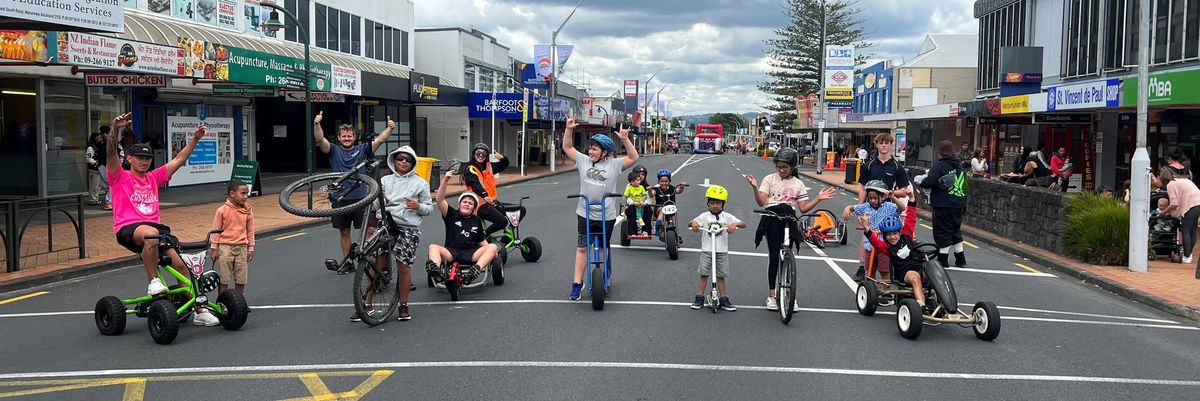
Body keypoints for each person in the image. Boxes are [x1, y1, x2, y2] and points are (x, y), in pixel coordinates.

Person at [106, 112, 220, 326]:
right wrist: (115, 129)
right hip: (128, 229)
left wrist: (195, 138)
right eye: (139, 158)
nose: (144, 161)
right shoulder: (119, 177)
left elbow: (179, 159)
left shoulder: (153, 177)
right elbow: (111, 153)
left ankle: (199, 309)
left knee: (181, 266)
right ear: (129, 158)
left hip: (156, 231)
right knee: (150, 234)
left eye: (147, 158)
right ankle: (154, 282)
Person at [745, 147, 836, 311]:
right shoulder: (769, 179)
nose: (781, 170)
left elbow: (803, 208)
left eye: (784, 167)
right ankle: (772, 295)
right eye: (778, 167)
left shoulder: (798, 183)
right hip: (773, 219)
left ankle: (788, 295)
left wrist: (818, 198)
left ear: (793, 167)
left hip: (789, 221)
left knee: (787, 254)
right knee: (774, 257)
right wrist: (755, 188)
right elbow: (761, 202)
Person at [351, 146, 433, 322]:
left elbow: (429, 208)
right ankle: (366, 303)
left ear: (413, 163)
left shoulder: (421, 184)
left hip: (407, 228)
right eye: (400, 158)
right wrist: (371, 204)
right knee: (377, 265)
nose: (403, 162)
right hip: (386, 224)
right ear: (394, 161)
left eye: (408, 159)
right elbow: (374, 202)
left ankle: (403, 305)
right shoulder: (385, 180)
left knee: (403, 266)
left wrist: (418, 206)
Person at [564, 118, 639, 300]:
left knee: (604, 247)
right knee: (582, 248)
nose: (590, 151)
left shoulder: (613, 165)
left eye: (595, 149)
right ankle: (576, 284)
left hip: (606, 215)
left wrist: (624, 139)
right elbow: (568, 148)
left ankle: (603, 276)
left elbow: (634, 158)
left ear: (604, 152)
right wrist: (568, 130)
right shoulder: (583, 161)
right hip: (584, 213)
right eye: (590, 148)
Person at [313, 111, 395, 269]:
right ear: (339, 137)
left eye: (349, 136)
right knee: (344, 232)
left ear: (354, 137)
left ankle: (366, 258)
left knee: (368, 230)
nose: (347, 138)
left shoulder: (363, 149)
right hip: (340, 198)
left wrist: (389, 128)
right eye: (344, 136)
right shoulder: (333, 151)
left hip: (360, 197)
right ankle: (348, 262)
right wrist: (317, 124)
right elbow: (319, 139)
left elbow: (380, 140)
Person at [426, 179, 499, 285]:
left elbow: (481, 239)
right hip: (451, 252)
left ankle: (476, 270)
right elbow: (439, 200)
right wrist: (446, 180)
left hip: (471, 253)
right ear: (459, 205)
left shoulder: (476, 220)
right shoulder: (451, 215)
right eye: (464, 202)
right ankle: (435, 271)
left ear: (474, 209)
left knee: (493, 247)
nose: (467, 204)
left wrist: (493, 253)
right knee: (433, 247)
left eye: (470, 203)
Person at [688, 185, 746, 311]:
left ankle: (724, 298)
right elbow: (692, 223)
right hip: (707, 250)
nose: (715, 206)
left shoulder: (727, 216)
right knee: (704, 274)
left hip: (721, 251)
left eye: (718, 203)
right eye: (712, 203)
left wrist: (734, 224)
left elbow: (743, 224)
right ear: (708, 203)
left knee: (721, 275)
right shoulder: (704, 216)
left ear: (723, 204)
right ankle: (699, 297)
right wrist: (694, 224)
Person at [916, 141, 969, 268]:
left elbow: (929, 182)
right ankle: (960, 259)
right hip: (959, 203)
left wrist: (921, 182)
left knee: (942, 231)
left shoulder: (939, 166)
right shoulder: (960, 166)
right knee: (955, 230)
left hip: (943, 204)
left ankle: (943, 260)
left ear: (940, 153)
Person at [842, 180, 906, 283]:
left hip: (884, 245)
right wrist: (847, 209)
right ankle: (871, 288)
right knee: (870, 269)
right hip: (870, 244)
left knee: (884, 269)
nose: (872, 201)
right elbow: (852, 207)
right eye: (870, 198)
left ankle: (886, 289)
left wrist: (893, 197)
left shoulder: (889, 207)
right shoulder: (866, 206)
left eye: (875, 198)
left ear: (883, 197)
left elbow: (902, 208)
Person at [864, 216, 930, 313]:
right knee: (915, 278)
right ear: (885, 236)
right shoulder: (887, 247)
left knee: (934, 274)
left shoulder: (907, 238)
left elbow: (910, 221)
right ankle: (922, 306)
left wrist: (912, 201)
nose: (892, 237)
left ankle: (943, 303)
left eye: (895, 233)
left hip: (919, 267)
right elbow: (876, 243)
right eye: (889, 235)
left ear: (900, 233)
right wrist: (866, 227)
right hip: (904, 272)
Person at [462, 142, 523, 237]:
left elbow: (504, 164)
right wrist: (485, 195)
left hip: (492, 203)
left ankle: (508, 234)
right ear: (474, 154)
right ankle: (483, 236)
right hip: (479, 205)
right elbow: (475, 185)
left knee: (520, 210)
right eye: (478, 153)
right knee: (502, 221)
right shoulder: (470, 169)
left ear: (487, 155)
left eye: (483, 153)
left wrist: (502, 158)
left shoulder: (489, 166)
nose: (481, 155)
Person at [210, 179, 255, 297]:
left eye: (247, 193)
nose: (245, 196)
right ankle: (222, 302)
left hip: (242, 248)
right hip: (225, 248)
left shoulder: (248, 211)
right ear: (232, 194)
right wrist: (214, 248)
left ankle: (239, 302)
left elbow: (250, 231)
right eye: (243, 193)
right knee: (224, 279)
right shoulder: (222, 210)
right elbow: (215, 231)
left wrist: (251, 247)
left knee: (241, 279)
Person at [1160, 172, 1200, 264]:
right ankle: (1188, 254)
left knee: (1185, 230)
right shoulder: (1182, 180)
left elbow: (1174, 203)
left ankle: (1186, 256)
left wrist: (1164, 212)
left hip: (1190, 205)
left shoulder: (1170, 184)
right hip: (1198, 202)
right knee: (1192, 230)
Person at [858, 133, 909, 203]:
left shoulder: (898, 167)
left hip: (889, 209)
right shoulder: (868, 165)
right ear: (876, 145)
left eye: (886, 143)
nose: (884, 145)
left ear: (891, 145)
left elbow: (904, 191)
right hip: (870, 208)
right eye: (881, 143)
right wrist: (860, 208)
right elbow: (862, 189)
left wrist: (891, 193)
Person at [649, 169, 688, 233]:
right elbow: (651, 194)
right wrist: (649, 190)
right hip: (659, 210)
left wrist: (682, 187)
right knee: (663, 209)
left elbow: (678, 191)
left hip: (671, 210)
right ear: (659, 181)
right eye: (662, 181)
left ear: (669, 181)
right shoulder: (656, 189)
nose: (664, 183)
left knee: (674, 215)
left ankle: (675, 231)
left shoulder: (672, 188)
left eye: (666, 181)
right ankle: (658, 223)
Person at [623, 171, 652, 236]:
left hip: (641, 206)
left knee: (649, 209)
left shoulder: (641, 187)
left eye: (643, 175)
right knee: (631, 210)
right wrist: (632, 203)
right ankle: (633, 232)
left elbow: (645, 196)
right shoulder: (629, 188)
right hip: (633, 206)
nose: (640, 181)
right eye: (637, 180)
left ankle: (645, 231)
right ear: (632, 182)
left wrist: (643, 202)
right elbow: (625, 197)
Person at [85, 132, 105, 205]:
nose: (101, 139)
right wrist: (95, 162)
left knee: (98, 186)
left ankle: (96, 199)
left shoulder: (99, 147)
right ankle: (92, 200)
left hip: (99, 169)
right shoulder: (90, 148)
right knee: (94, 185)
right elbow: (88, 158)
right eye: (99, 137)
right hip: (93, 169)